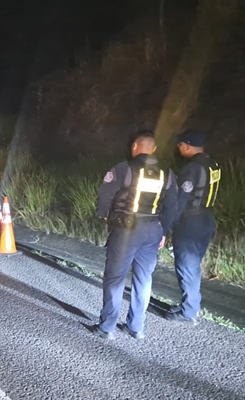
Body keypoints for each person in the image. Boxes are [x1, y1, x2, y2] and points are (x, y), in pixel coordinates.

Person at [94, 132, 178, 339]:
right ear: (154, 149)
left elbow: (105, 194)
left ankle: (106, 328)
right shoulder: (167, 173)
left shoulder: (124, 168)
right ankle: (136, 327)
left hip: (127, 230)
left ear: (134, 147)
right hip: (153, 230)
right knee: (144, 278)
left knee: (115, 277)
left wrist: (104, 215)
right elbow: (173, 204)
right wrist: (164, 231)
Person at [166, 129, 220, 325]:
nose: (178, 147)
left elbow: (181, 199)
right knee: (193, 265)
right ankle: (190, 304)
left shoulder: (192, 168)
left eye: (180, 144)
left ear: (187, 145)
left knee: (187, 266)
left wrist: (168, 224)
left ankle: (189, 312)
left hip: (191, 222)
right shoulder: (213, 164)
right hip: (207, 219)